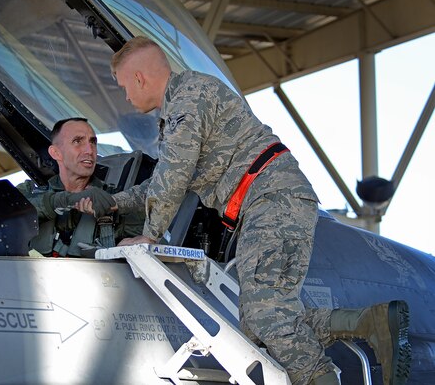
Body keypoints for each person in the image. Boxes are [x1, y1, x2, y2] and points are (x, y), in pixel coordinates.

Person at [97, 36, 410, 385]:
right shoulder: (182, 104)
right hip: (275, 200)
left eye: (124, 86)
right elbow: (163, 179)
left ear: (139, 79)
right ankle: (367, 323)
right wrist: (113, 202)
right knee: (259, 319)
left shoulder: (188, 101)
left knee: (264, 315)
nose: (126, 96)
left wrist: (149, 236)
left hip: (271, 199)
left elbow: (173, 176)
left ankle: (324, 376)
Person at [16, 117, 142, 257]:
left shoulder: (115, 199)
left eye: (93, 142)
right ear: (55, 153)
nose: (89, 150)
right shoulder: (29, 192)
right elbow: (5, 213)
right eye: (77, 141)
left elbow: (151, 233)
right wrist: (69, 199)